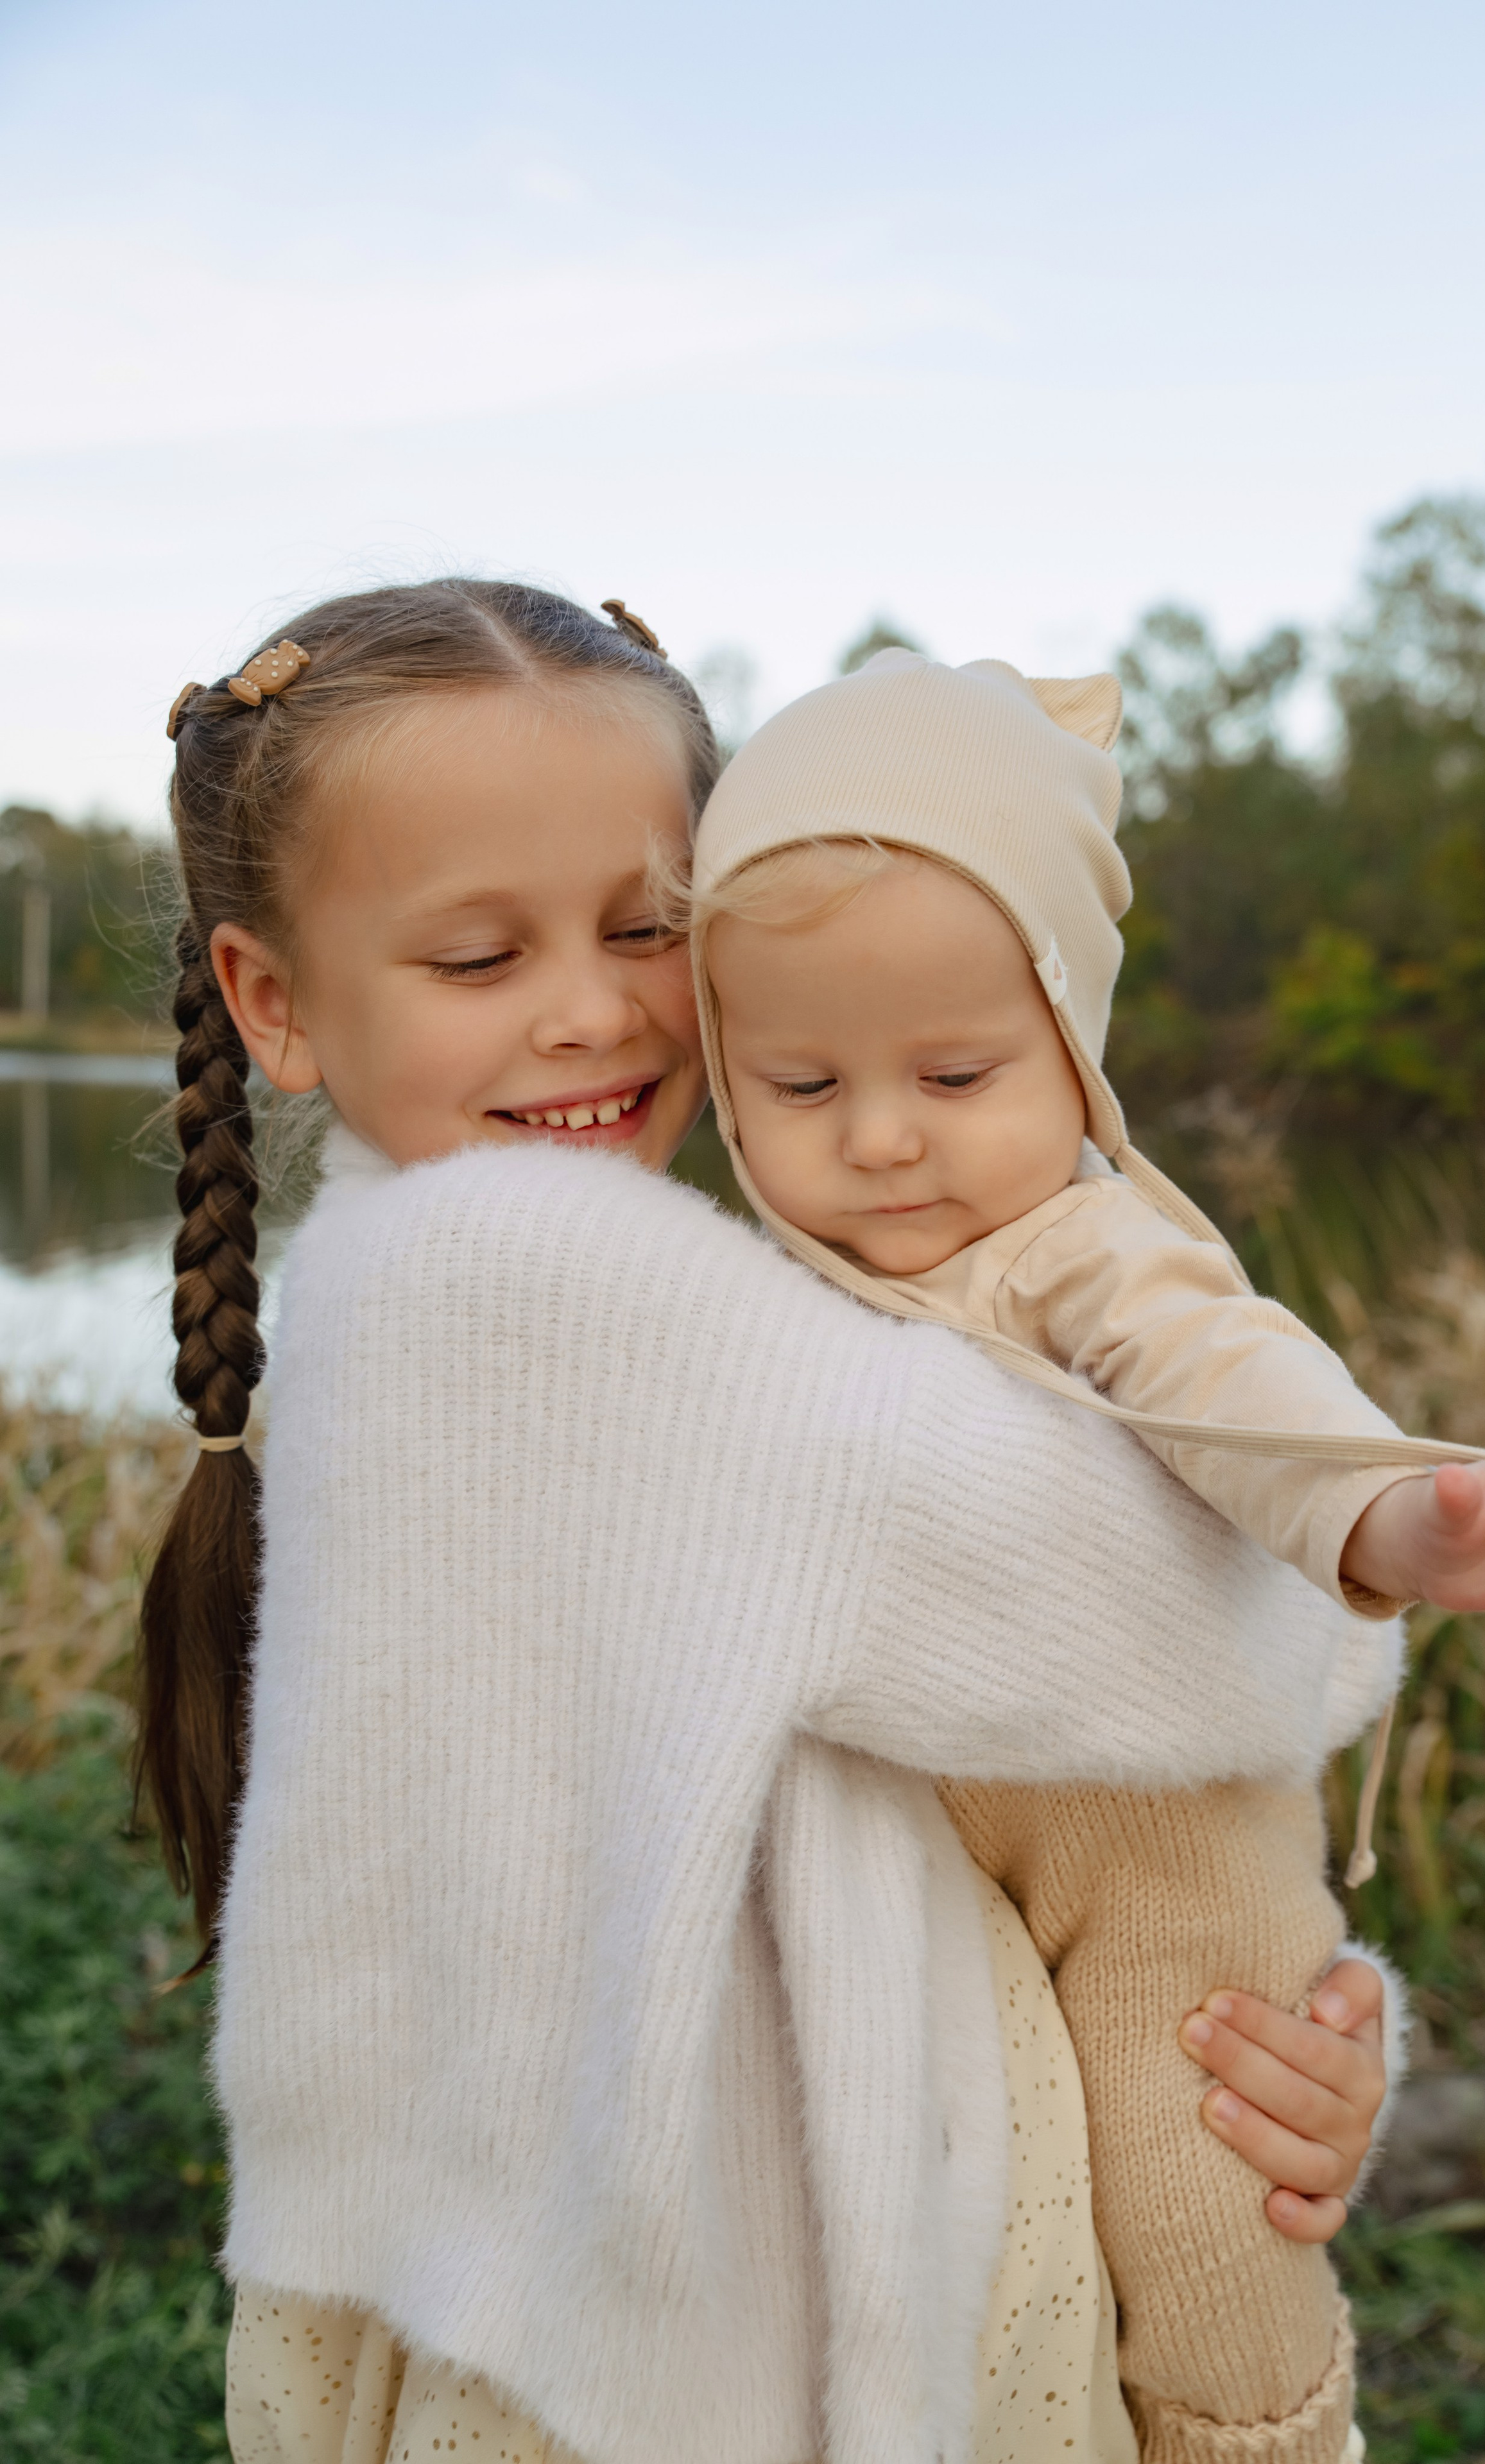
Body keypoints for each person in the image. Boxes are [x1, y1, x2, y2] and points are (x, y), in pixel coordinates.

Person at [142, 583, 1401, 2464]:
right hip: (754, 2336)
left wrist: (1289, 2036)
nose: (588, 1009)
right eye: (479, 958)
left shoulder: (520, 1318)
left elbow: (1021, 1787)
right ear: (275, 1001)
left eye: (647, 928)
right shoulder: (535, 1321)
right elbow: (1241, 1639)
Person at [684, 648, 1485, 2464]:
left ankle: (1259, 2434)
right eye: (800, 1083)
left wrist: (1405, 1511)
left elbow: (1234, 1382)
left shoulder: (1078, 1251)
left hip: (1160, 1854)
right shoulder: (747, 1295)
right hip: (925, 1851)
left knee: (1207, 2182)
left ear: (1072, 1039)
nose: (882, 1141)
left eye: (956, 1071)